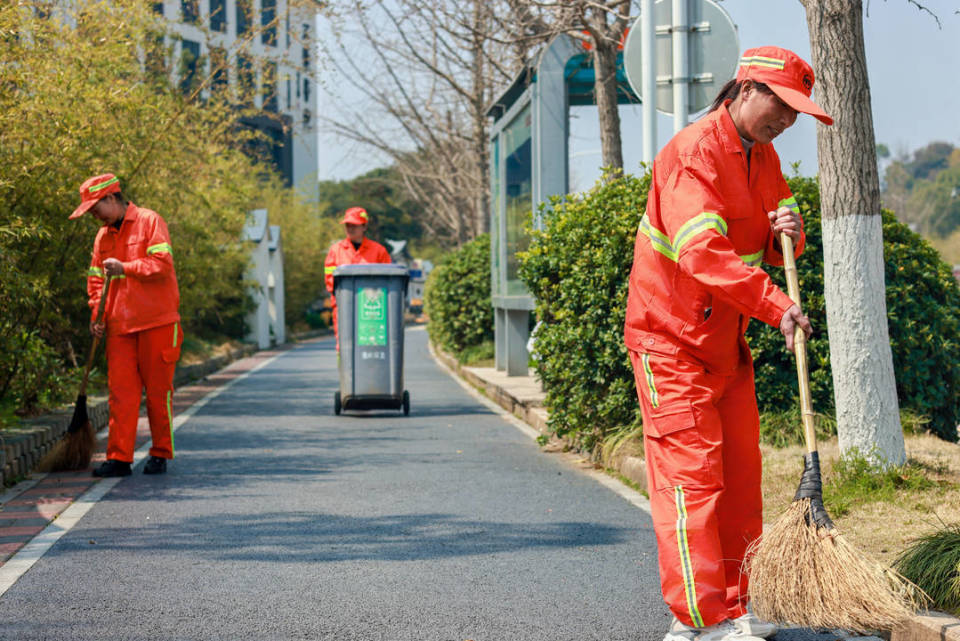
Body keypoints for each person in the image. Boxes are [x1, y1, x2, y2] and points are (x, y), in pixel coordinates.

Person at [624, 47, 832, 641]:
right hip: (670, 345)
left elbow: (775, 229)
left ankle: (735, 605)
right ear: (744, 89)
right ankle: (700, 619)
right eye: (781, 106)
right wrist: (776, 305)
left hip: (725, 346)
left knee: (740, 479)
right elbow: (702, 252)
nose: (787, 122)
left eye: (797, 113)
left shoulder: (760, 156)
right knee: (693, 483)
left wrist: (783, 234)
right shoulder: (694, 155)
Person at [71, 173, 181, 478]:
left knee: (158, 393)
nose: (94, 215)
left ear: (111, 198)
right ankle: (119, 458)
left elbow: (162, 265)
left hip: (157, 323)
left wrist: (125, 268)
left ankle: (159, 453)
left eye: (96, 208)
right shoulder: (102, 237)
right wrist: (97, 317)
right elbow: (96, 281)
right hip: (119, 326)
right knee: (121, 394)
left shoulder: (150, 221)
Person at [323, 207, 391, 344]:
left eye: (354, 225)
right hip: (344, 307)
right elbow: (330, 280)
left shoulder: (379, 251)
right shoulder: (336, 251)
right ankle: (344, 366)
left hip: (372, 310)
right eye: (348, 225)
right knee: (344, 345)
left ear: (364, 226)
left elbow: (388, 281)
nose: (350, 228)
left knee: (372, 343)